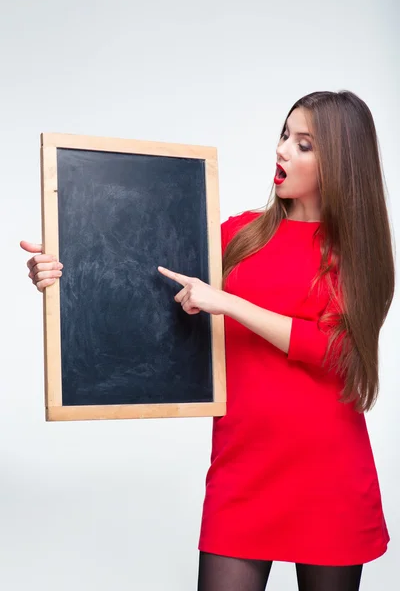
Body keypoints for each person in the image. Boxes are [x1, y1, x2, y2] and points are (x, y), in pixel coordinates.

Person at [21, 90, 395, 591]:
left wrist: (230, 303)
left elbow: (339, 352)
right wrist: (65, 261)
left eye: (304, 144)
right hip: (243, 471)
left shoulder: (356, 255)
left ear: (342, 162)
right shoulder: (240, 235)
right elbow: (140, 273)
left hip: (330, 478)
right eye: (285, 135)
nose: (282, 150)